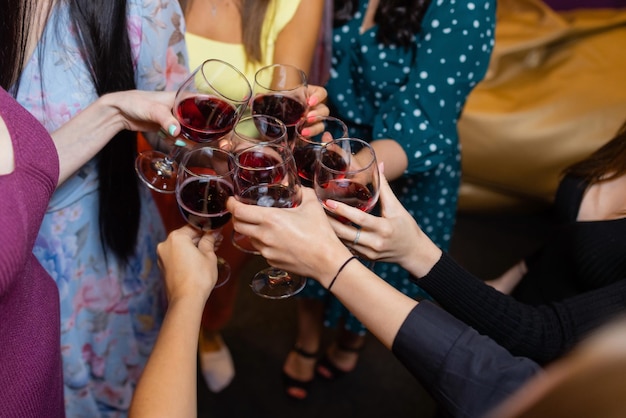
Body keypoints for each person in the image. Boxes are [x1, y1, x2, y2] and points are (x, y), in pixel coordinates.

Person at [284, 0, 497, 400]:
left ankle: (350, 341)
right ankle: (307, 338)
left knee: (377, 271)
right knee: (313, 251)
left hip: (404, 162)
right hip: (335, 147)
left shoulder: (467, 6)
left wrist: (350, 172)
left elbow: (427, 120)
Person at [2, 0, 189, 415]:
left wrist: (247, 136)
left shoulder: (144, 5)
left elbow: (176, 129)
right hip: (15, 268)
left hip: (105, 250)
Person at [141, 0, 325, 393]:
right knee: (143, 271)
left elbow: (278, 112)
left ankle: (207, 332)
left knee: (216, 272)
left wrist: (290, 133)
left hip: (234, 175)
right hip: (160, 156)